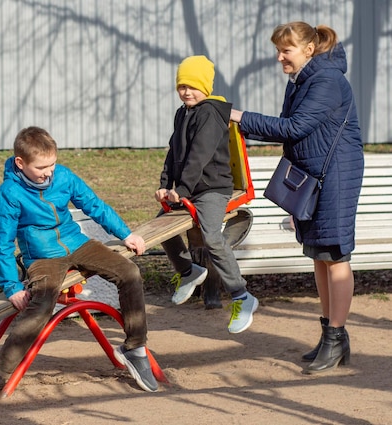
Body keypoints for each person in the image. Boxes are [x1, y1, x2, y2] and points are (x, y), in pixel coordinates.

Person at [0, 126, 158, 408]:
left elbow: (94, 205)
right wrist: (11, 286)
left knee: (129, 272)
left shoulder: (63, 176)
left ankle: (134, 348)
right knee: (41, 303)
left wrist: (126, 233)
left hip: (77, 243)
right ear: (21, 163)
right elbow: (2, 240)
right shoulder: (10, 191)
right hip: (42, 256)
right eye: (41, 167)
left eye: (52, 164)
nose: (48, 172)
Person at [230, 22, 363, 374]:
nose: (279, 57)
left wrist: (238, 116)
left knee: (335, 254)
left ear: (307, 49)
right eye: (278, 50)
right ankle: (332, 335)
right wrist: (241, 124)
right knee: (319, 254)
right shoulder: (303, 80)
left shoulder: (327, 81)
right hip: (316, 174)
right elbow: (291, 129)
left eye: (285, 50)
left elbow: (293, 128)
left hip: (334, 175)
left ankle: (335, 337)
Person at [155, 55, 259, 334]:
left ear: (206, 86)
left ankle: (242, 296)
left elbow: (199, 156)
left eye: (193, 86)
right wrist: (166, 185)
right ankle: (189, 271)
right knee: (160, 227)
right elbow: (174, 151)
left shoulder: (211, 112)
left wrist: (183, 190)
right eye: (182, 86)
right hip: (188, 188)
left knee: (212, 237)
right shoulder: (183, 112)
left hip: (212, 188)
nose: (186, 91)